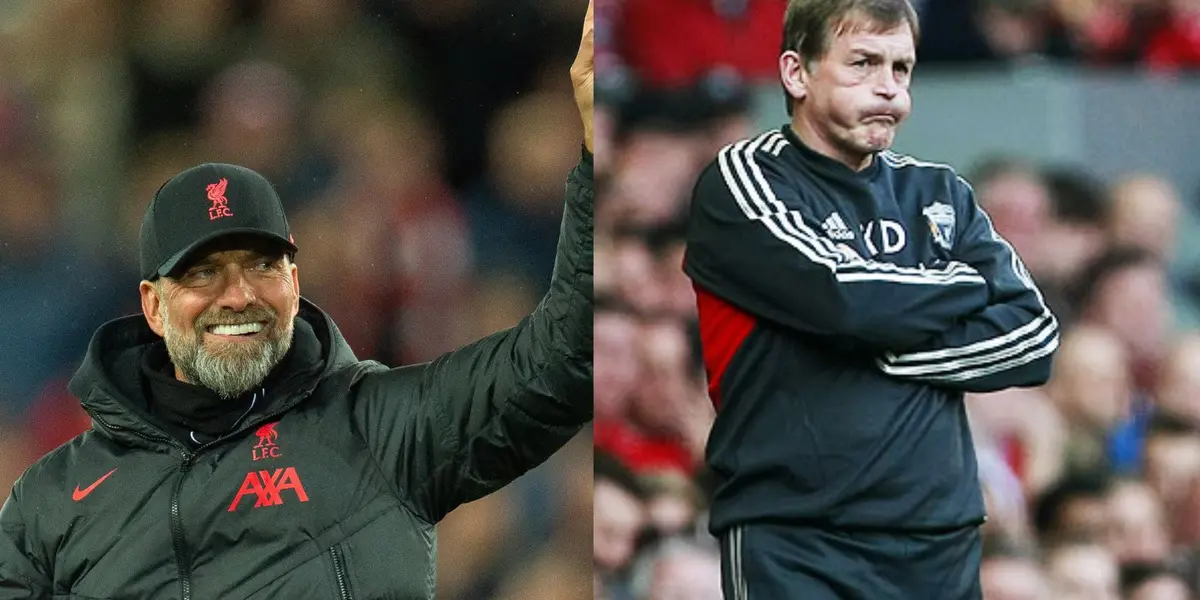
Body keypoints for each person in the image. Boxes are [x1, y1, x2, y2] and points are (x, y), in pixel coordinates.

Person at [0, 3, 594, 598]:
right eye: (204, 274)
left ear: (294, 282)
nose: (238, 295)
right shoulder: (51, 501)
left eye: (262, 265)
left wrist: (604, 160)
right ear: (153, 306)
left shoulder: (379, 429)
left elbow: (566, 359)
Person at [681, 0, 1060, 598]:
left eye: (901, 68)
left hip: (939, 535)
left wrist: (883, 352)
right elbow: (843, 299)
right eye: (862, 64)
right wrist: (962, 284)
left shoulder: (940, 193)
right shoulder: (743, 181)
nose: (888, 89)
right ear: (795, 73)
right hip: (795, 537)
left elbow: (1034, 338)